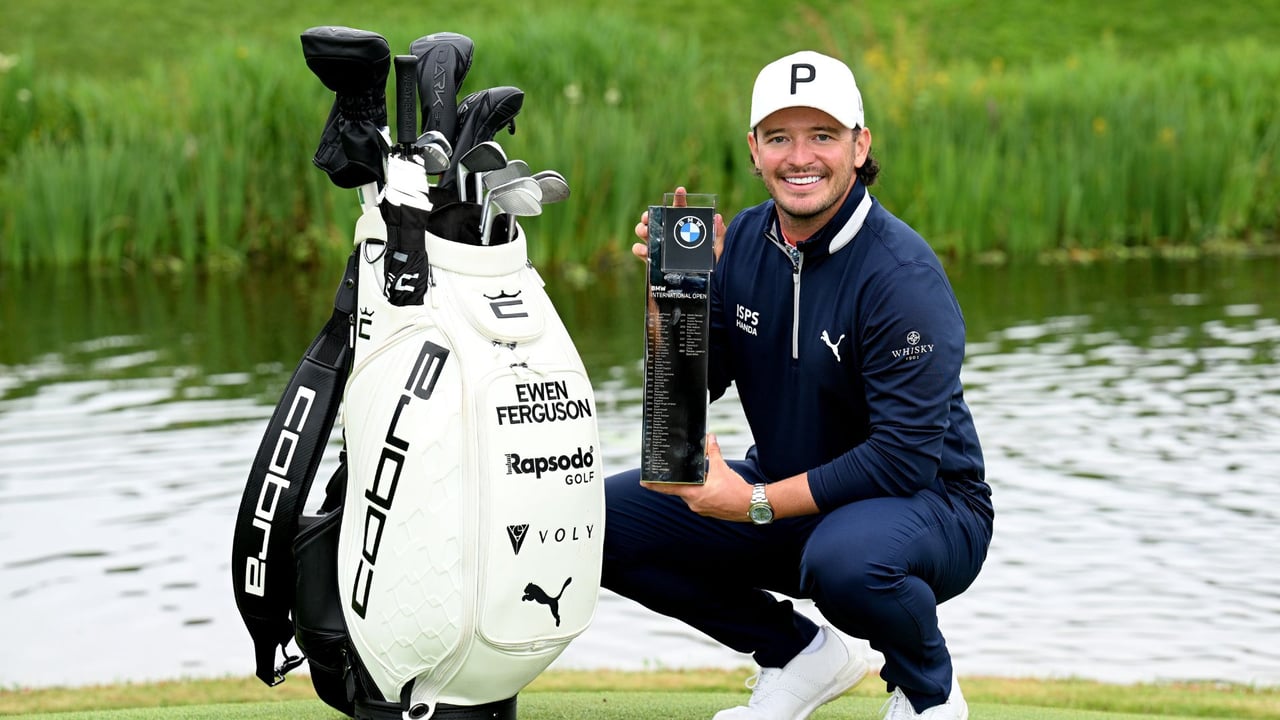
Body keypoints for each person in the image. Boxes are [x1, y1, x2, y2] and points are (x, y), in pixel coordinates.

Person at [601, 50, 994, 720]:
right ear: (754, 150)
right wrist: (676, 303)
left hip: (928, 510)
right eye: (779, 137)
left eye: (823, 136)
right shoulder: (746, 240)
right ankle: (798, 654)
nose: (799, 157)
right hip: (793, 498)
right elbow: (688, 402)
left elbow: (901, 460)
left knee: (848, 564)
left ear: (859, 145)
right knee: (593, 525)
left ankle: (928, 693)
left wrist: (752, 502)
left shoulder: (903, 276)